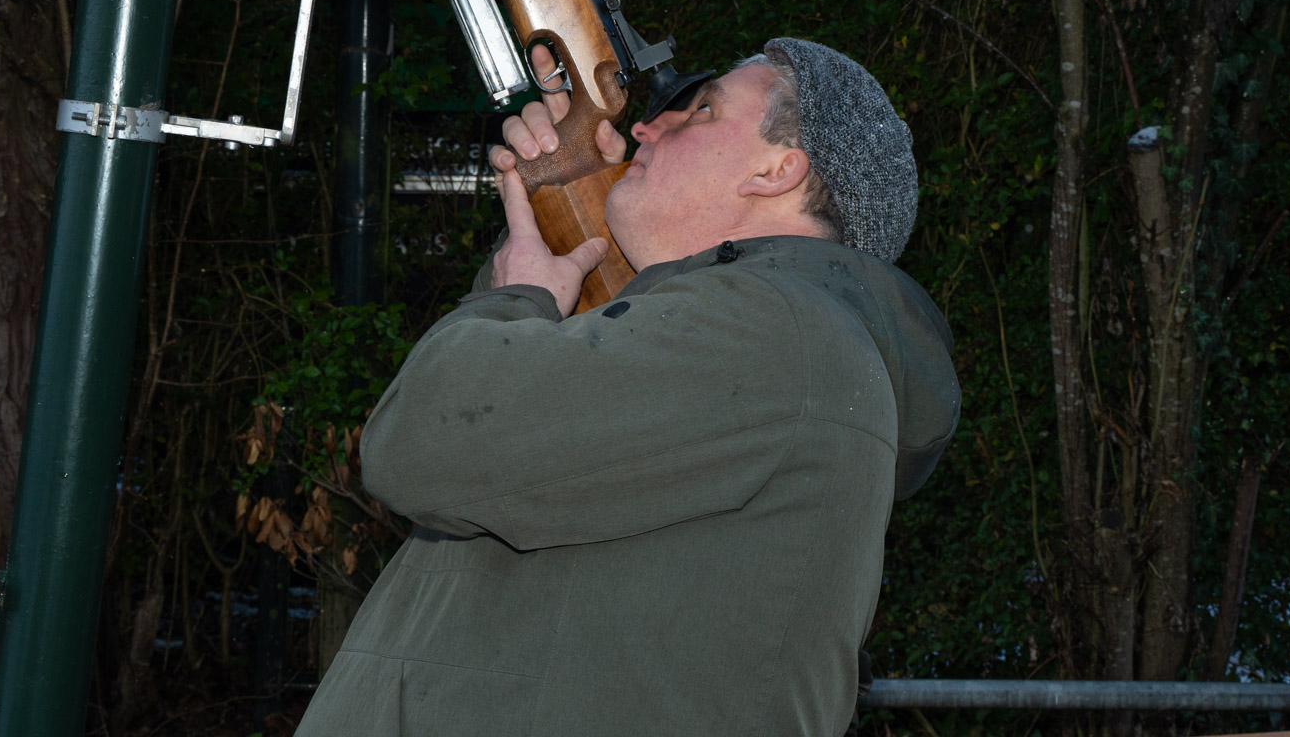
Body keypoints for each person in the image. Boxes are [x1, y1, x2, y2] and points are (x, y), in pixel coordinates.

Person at [294, 38, 960, 736]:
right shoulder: (759, 342)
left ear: (776, 170)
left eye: (702, 112)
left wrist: (515, 299)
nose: (645, 126)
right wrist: (564, 205)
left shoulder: (770, 330)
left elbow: (421, 444)